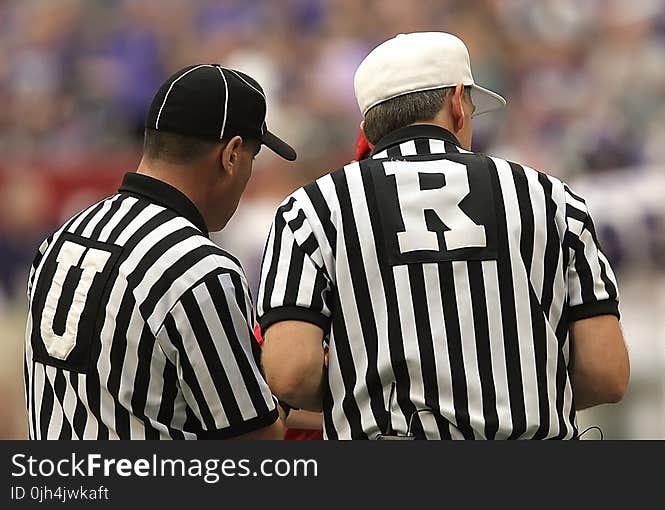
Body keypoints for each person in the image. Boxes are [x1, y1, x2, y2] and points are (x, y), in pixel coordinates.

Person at [258, 32, 629, 440]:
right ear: (456, 103)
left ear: (368, 125)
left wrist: (361, 391)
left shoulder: (312, 207)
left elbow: (290, 374)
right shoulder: (552, 198)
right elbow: (606, 372)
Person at [24, 64, 297, 439]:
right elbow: (255, 441)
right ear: (231, 155)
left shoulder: (62, 237)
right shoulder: (199, 268)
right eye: (252, 157)